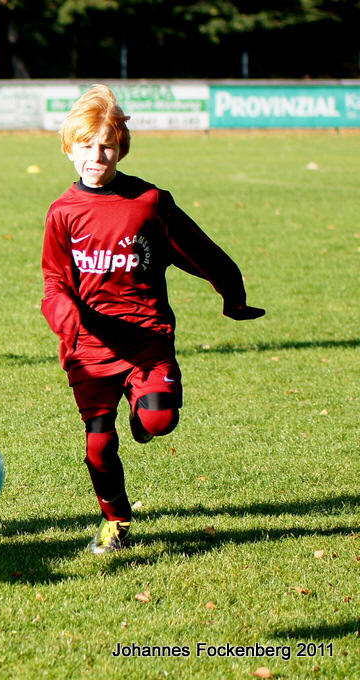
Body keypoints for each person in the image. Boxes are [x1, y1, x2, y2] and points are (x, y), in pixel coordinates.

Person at [40, 85, 265, 554]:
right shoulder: (62, 213)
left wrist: (233, 293)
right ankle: (116, 519)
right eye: (86, 145)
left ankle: (143, 415)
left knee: (159, 419)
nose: (96, 156)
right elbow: (54, 281)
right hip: (90, 346)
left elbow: (198, 250)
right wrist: (65, 317)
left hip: (147, 337)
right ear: (68, 149)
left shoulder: (148, 201)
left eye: (106, 146)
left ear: (121, 148)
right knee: (99, 444)